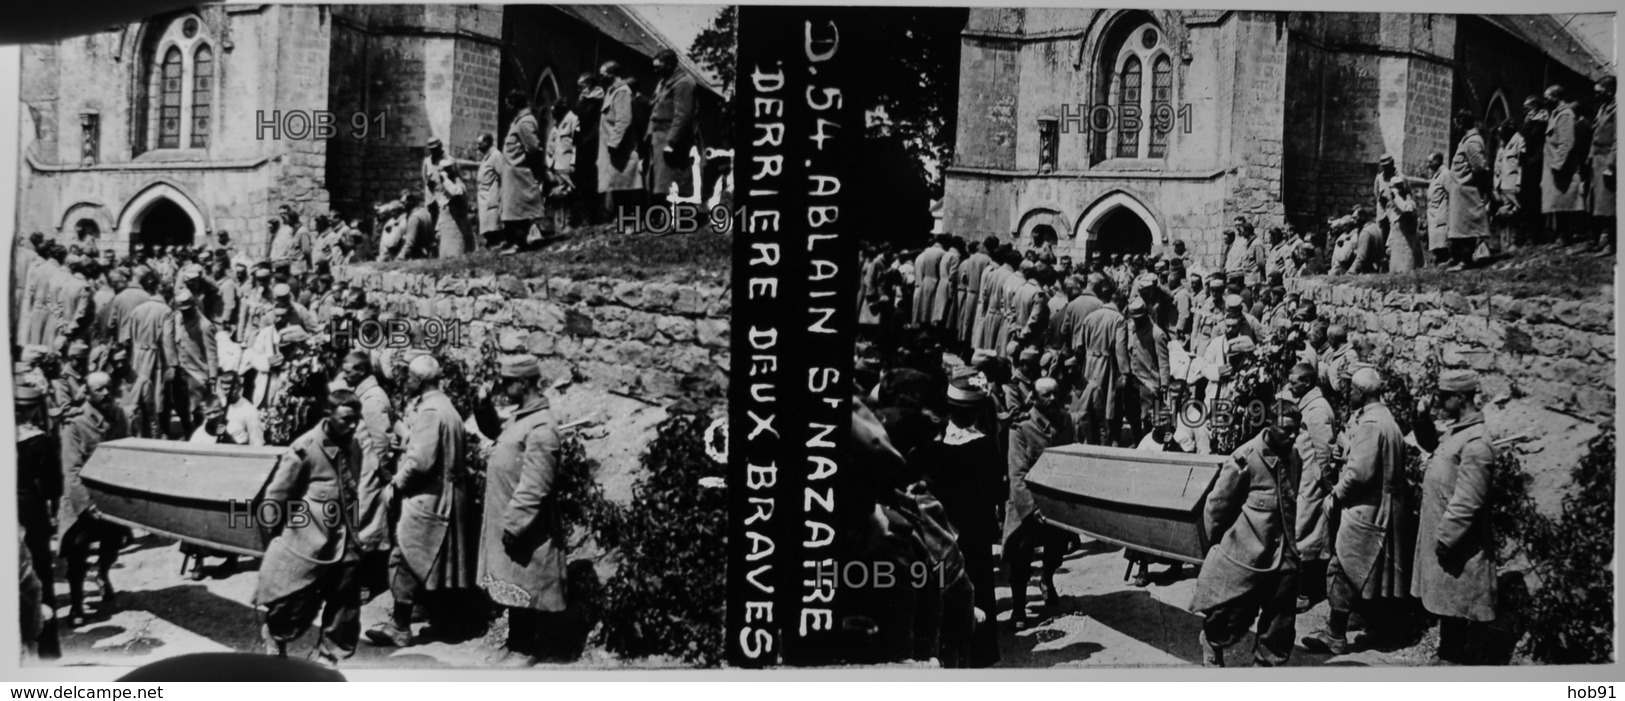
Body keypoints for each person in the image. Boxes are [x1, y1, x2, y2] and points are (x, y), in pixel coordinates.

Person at [366, 355, 474, 647]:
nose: (406, 382)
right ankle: (446, 622)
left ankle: (399, 626)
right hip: (449, 497)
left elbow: (420, 463)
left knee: (405, 555)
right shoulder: (447, 408)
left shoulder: (429, 412)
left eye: (410, 378)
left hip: (428, 500)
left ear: (420, 381)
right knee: (440, 559)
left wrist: (395, 485)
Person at [1302, 367, 1412, 655]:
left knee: (1343, 566)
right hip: (1386, 507)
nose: (1347, 393)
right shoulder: (1387, 421)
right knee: (1374, 569)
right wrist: (1347, 452)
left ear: (1361, 393)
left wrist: (1335, 495)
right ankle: (1370, 624)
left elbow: (1360, 475)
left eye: (1351, 390)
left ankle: (1334, 634)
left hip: (1366, 509)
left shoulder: (1370, 425)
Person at [254, 390, 365, 667]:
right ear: (328, 417)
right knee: (294, 606)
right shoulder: (304, 449)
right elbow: (275, 499)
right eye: (346, 420)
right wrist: (278, 543)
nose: (353, 426)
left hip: (345, 536)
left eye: (356, 420)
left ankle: (329, 655)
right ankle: (275, 633)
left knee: (346, 599)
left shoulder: (353, 445)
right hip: (307, 542)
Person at [1189, 401, 1303, 667]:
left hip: (1284, 551)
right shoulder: (1245, 458)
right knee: (1234, 616)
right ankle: (1212, 640)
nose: (1294, 436)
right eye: (1287, 430)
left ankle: (1266, 668)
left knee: (1280, 621)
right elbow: (1216, 508)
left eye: (1297, 429)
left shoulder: (1293, 455)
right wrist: (1221, 550)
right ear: (1269, 425)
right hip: (1248, 554)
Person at [478, 354, 567, 665]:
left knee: (526, 583)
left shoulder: (542, 428)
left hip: (526, 524)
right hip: (510, 518)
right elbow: (499, 436)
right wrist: (481, 407)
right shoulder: (523, 418)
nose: (502, 387)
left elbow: (535, 485)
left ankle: (526, 648)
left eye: (506, 382)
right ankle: (515, 641)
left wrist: (515, 524)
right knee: (513, 583)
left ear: (522, 383)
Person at [1409, 370, 1497, 665]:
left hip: (1457, 537)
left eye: (1444, 396)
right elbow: (1433, 446)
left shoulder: (1476, 442)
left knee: (1457, 597)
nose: (1438, 400)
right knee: (1449, 598)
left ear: (1460, 397)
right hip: (1445, 531)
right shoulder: (1459, 431)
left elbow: (1469, 499)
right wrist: (1421, 418)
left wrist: (1447, 537)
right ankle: (1447, 655)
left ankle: (1453, 662)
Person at [916, 377, 1003, 666]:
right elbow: (994, 491)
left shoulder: (932, 445)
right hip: (973, 533)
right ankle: (978, 653)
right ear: (977, 412)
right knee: (975, 587)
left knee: (943, 593)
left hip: (940, 532)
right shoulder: (984, 447)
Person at [1002, 377, 1076, 629]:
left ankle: (1046, 579)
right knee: (1021, 555)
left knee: (1057, 548)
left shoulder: (1066, 421)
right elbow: (1017, 475)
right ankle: (1019, 608)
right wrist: (1031, 509)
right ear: (1034, 398)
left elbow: (1072, 459)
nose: (1052, 399)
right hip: (1027, 506)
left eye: (1055, 394)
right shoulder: (1020, 428)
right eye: (1046, 395)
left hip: (1056, 502)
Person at [58, 372, 131, 626]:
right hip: (82, 501)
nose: (106, 393)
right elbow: (71, 471)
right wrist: (87, 505)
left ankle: (102, 573)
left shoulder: (120, 416)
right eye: (99, 390)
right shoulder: (75, 424)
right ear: (87, 394)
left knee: (114, 543)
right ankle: (77, 604)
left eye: (108, 387)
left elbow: (127, 453)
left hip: (110, 497)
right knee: (77, 552)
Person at [16, 384, 61, 659]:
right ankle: (47, 648)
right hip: (30, 510)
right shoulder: (40, 440)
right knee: (39, 575)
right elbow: (53, 486)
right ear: (33, 409)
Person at [1287, 362, 1336, 612]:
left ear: (1307, 382)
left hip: (1312, 479)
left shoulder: (1317, 409)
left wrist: (1328, 485)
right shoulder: (1307, 403)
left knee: (1305, 532)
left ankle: (1305, 592)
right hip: (1301, 475)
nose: (1289, 385)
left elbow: (1324, 451)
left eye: (1293, 381)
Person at [646, 49, 699, 204]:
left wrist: (672, 142)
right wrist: (649, 133)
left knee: (671, 182)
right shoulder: (663, 82)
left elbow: (682, 116)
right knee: (659, 181)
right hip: (658, 138)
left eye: (659, 66)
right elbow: (655, 108)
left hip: (671, 139)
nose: (655, 70)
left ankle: (674, 219)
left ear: (669, 65)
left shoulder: (684, 83)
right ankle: (660, 218)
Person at [500, 91, 547, 254]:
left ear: (514, 104)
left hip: (521, 174)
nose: (506, 107)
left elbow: (533, 148)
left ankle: (519, 243)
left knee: (519, 209)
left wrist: (537, 171)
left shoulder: (525, 122)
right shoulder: (518, 121)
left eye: (508, 104)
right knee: (513, 208)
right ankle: (513, 241)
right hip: (514, 174)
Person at [597, 61, 643, 230]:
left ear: (613, 74)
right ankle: (620, 222)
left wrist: (614, 142)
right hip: (613, 150)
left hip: (621, 149)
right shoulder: (612, 92)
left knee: (628, 189)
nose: (601, 78)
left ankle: (632, 224)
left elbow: (624, 119)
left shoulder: (622, 92)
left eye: (604, 74)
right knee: (618, 187)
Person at [1446, 110, 1491, 270]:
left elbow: (1480, 167)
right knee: (1460, 227)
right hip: (1461, 192)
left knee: (1466, 228)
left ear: (1462, 123)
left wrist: (1470, 183)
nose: (1455, 127)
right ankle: (1458, 258)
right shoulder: (1466, 140)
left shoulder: (1472, 142)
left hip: (1467, 192)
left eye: (1456, 123)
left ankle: (1465, 260)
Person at [1542, 84, 1586, 243]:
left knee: (1565, 201)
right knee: (1559, 201)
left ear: (1556, 98)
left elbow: (1567, 143)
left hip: (1562, 167)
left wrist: (1558, 164)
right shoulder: (1555, 114)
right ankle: (1561, 234)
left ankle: (1566, 235)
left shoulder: (1565, 115)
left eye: (1548, 97)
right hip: (1554, 166)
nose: (1545, 100)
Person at [1588, 76, 1617, 255]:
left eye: (1599, 92)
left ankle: (1611, 243)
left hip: (1607, 160)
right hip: (1597, 160)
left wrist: (1611, 165)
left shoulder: (1617, 109)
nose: (1596, 96)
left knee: (1609, 205)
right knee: (1597, 203)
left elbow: (1618, 140)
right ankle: (1601, 240)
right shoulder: (1602, 108)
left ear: (1609, 90)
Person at [476, 134, 504, 249]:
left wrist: (502, 195)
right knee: (486, 223)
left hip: (491, 195)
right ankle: (490, 243)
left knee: (492, 223)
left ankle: (495, 243)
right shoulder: (487, 156)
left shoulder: (496, 155)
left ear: (487, 142)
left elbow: (503, 174)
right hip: (484, 196)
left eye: (480, 143)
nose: (478, 147)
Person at [1426, 152, 1450, 266]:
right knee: (1436, 242)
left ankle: (1444, 261)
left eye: (1430, 162)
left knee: (1441, 242)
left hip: (1441, 213)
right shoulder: (1436, 175)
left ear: (1438, 161)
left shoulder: (1445, 174)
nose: (1428, 165)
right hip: (1433, 214)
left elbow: (1451, 193)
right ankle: (1439, 261)